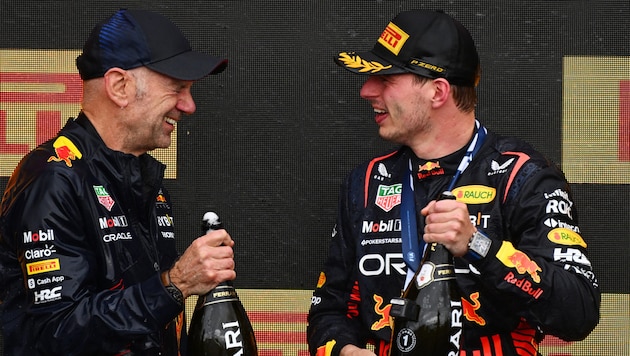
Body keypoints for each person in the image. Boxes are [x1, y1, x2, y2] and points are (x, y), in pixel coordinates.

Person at [307, 9, 600, 356]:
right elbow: (329, 310)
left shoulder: (521, 175)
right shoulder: (367, 182)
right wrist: (345, 352)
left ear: (438, 92)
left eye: (386, 79)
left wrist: (479, 246)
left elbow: (579, 311)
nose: (366, 91)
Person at [0, 9, 235, 355]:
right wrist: (176, 284)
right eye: (177, 88)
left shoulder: (148, 185)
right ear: (120, 86)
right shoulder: (54, 179)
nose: (189, 106)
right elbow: (56, 334)